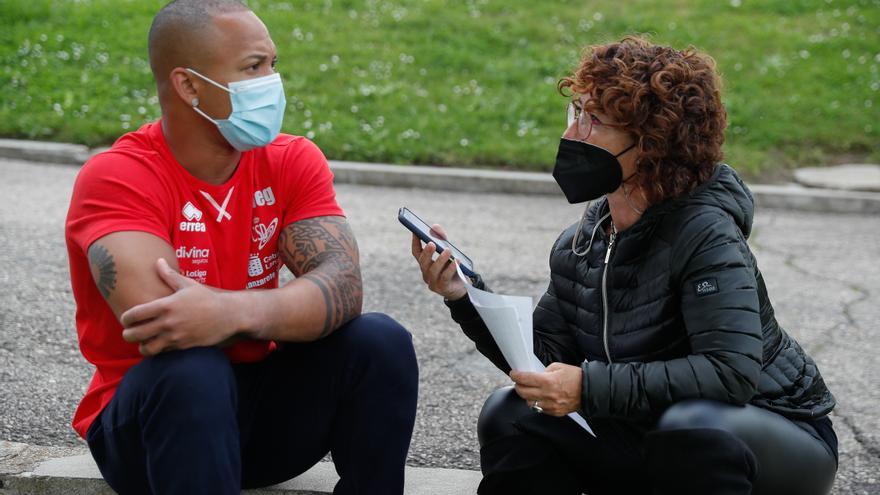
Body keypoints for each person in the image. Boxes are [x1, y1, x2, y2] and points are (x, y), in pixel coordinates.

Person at [412, 36, 837, 495]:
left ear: (652, 145)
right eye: (576, 112)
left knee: (690, 426)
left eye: (593, 121)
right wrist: (463, 296)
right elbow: (545, 362)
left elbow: (729, 372)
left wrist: (589, 389)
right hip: (648, 430)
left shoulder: (706, 233)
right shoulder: (588, 236)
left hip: (771, 437)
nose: (572, 134)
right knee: (512, 414)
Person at [64, 1, 418, 493]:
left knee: (379, 340)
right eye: (253, 68)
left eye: (273, 65)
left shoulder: (293, 159)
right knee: (193, 369)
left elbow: (342, 286)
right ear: (189, 86)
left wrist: (228, 312)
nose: (271, 82)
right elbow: (163, 325)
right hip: (151, 427)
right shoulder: (118, 176)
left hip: (258, 421)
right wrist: (284, 309)